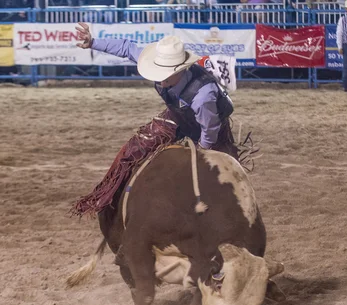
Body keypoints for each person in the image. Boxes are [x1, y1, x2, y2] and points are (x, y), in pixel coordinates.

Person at [70, 22, 248, 217]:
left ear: (180, 70)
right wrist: (93, 42)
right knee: (133, 149)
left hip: (211, 131)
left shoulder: (203, 96)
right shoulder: (164, 67)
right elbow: (127, 48)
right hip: (177, 115)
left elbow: (210, 129)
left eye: (167, 75)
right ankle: (105, 195)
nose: (161, 80)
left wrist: (200, 152)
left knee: (228, 176)